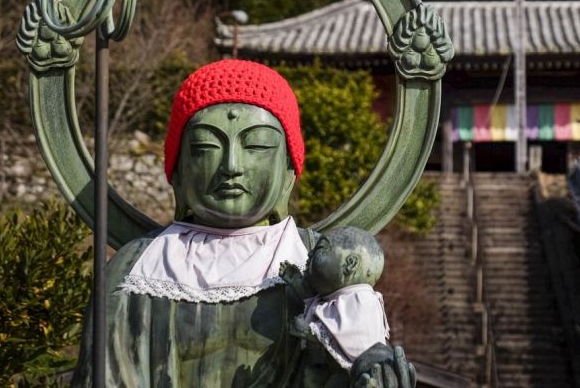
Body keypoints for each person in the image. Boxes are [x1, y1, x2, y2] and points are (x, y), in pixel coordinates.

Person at [72, 59, 415, 388]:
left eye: (257, 145)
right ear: (177, 171)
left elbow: (354, 360)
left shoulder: (319, 263)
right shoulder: (137, 269)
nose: (231, 165)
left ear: (288, 172)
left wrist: (371, 374)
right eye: (206, 146)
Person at [280, 227, 389, 370]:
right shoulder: (339, 298)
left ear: (351, 264)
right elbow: (322, 310)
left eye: (321, 248)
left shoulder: (362, 300)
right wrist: (298, 283)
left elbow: (353, 338)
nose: (310, 253)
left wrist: (311, 332)